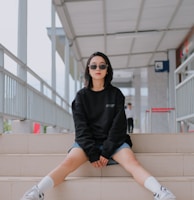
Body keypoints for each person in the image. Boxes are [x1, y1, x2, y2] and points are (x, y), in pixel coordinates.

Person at [21, 52, 176, 200]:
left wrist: (107, 151)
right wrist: (93, 153)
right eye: (94, 66)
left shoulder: (116, 94)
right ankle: (37, 192)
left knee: (132, 162)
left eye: (102, 66)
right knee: (68, 162)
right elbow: (81, 128)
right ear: (88, 69)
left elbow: (118, 126)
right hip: (88, 143)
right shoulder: (81, 97)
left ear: (107, 70)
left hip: (114, 142)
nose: (98, 69)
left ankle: (160, 192)